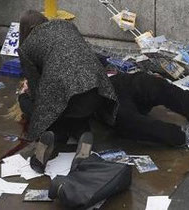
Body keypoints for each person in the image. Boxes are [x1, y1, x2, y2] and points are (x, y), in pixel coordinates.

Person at [16, 10, 189, 168]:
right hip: (104, 92)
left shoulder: (29, 51)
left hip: (106, 89)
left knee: (154, 88)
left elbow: (42, 96)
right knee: (132, 118)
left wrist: (30, 96)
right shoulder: (65, 28)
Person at [15, 10, 119, 172]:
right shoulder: (67, 26)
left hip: (66, 96)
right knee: (74, 112)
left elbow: (37, 94)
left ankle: (48, 140)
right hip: (97, 91)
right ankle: (83, 136)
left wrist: (23, 94)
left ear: (26, 30)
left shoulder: (26, 47)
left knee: (47, 111)